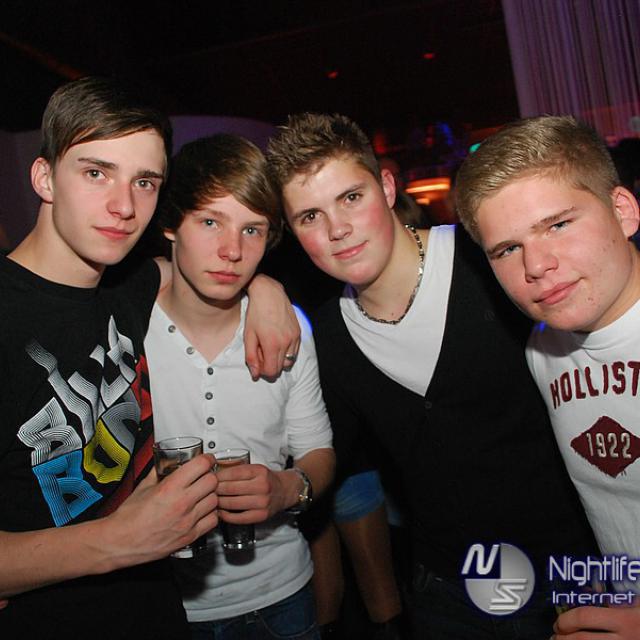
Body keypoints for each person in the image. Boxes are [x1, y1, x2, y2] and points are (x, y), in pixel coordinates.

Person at [266, 112, 599, 640]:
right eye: (310, 216)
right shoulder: (325, 337)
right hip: (448, 591)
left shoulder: (486, 260)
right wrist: (260, 290)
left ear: (387, 187)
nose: (337, 229)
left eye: (351, 197)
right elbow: (324, 455)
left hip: (573, 576)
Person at [0, 77, 299, 639]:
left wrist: (265, 288)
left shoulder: (127, 285)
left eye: (144, 182)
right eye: (96, 173)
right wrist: (118, 540)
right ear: (44, 178)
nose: (123, 206)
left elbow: (195, 271)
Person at [455, 115, 640, 638]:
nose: (535, 265)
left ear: (623, 211)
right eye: (507, 249)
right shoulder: (544, 348)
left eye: (558, 225)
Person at [145, 133, 335, 640]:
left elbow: (317, 451)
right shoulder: (126, 324)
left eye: (252, 230)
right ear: (171, 224)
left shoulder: (289, 329)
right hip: (160, 604)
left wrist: (286, 489)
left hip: (281, 598)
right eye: (210, 222)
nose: (232, 251)